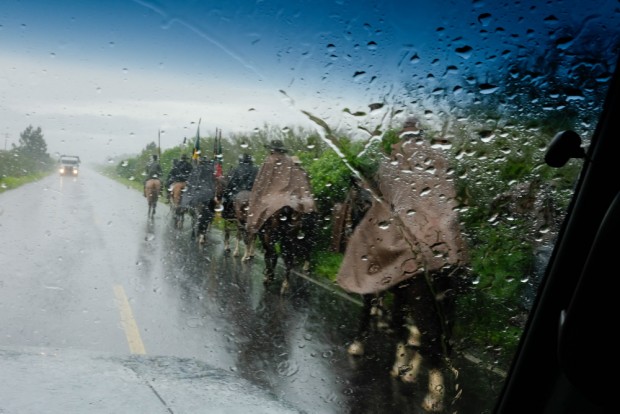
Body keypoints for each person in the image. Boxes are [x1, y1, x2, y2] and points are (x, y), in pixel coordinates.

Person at [246, 140, 316, 236]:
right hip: (289, 195)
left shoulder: (269, 160)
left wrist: (258, 193)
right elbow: (295, 182)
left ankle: (254, 227)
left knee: (258, 206)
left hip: (273, 195)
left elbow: (261, 182)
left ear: (272, 149)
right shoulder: (289, 160)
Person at [221, 154, 258, 220]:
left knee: (226, 200)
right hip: (252, 192)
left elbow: (232, 182)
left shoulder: (236, 169)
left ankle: (226, 214)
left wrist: (226, 193)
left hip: (237, 191)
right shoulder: (256, 169)